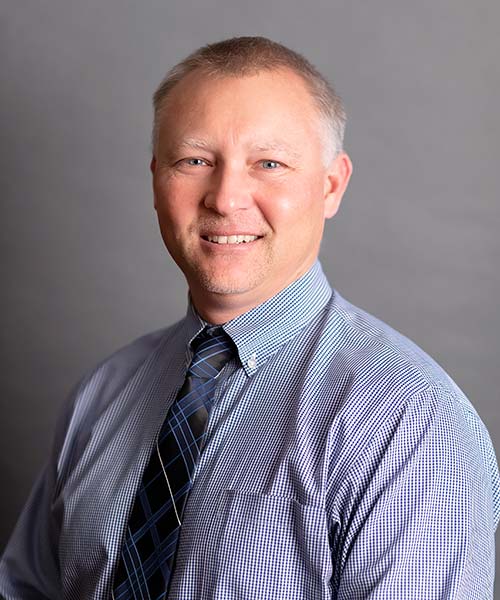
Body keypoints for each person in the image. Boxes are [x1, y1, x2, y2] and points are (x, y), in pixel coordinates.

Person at [0, 36, 498, 600]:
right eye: (195, 161)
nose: (226, 196)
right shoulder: (103, 394)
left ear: (332, 185)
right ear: (156, 179)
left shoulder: (410, 427)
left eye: (269, 163)